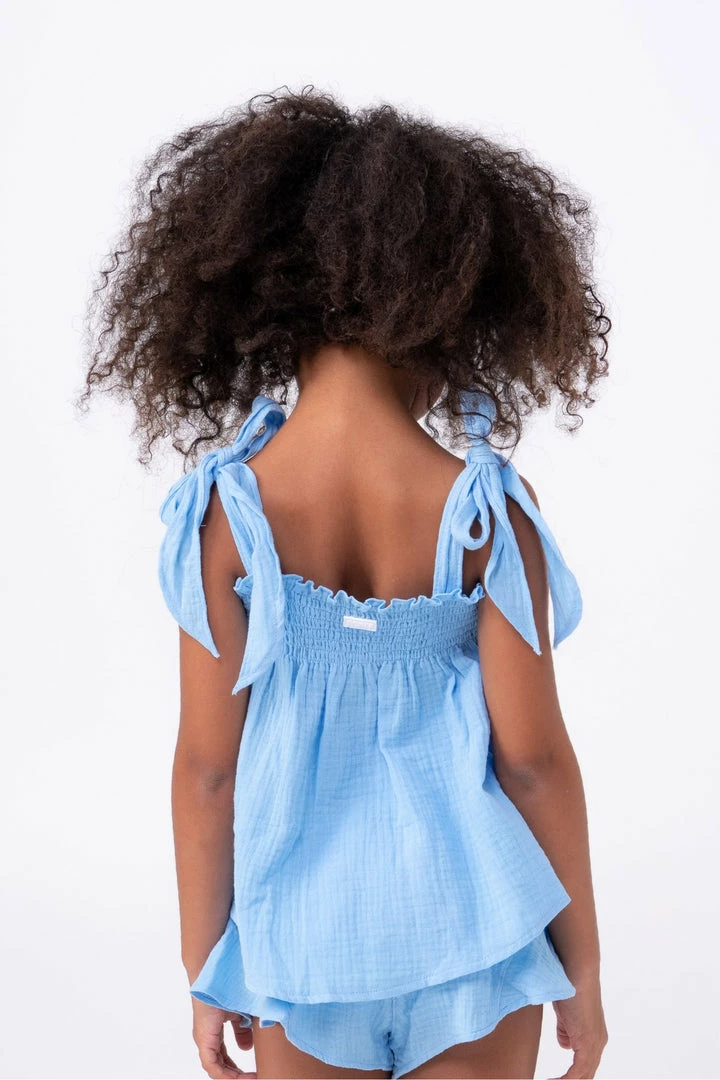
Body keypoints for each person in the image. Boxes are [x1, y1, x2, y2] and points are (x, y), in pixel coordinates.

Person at [78, 86, 610, 1080]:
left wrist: (207, 971)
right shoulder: (485, 510)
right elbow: (533, 760)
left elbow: (207, 771)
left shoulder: (227, 515)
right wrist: (581, 971)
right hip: (477, 942)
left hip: (303, 950)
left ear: (262, 293)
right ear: (454, 300)